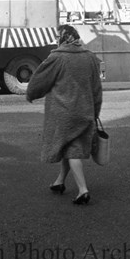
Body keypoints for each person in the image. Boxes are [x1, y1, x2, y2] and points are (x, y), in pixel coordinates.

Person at [26, 24, 103, 205]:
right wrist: (95, 111)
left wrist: (31, 94)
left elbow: (39, 80)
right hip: (85, 112)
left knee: (72, 150)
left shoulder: (57, 57)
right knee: (69, 147)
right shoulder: (90, 58)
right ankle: (59, 181)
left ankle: (83, 190)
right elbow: (97, 90)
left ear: (61, 39)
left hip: (63, 114)